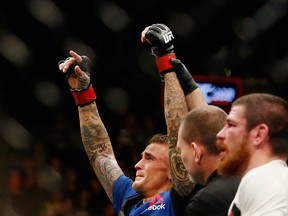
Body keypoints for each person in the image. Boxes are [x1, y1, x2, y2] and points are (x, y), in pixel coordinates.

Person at [141, 23, 241, 216]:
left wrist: (166, 65)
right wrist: (189, 86)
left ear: (196, 151)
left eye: (180, 149)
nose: (178, 156)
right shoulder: (251, 179)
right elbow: (209, 126)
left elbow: (181, 129)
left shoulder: (203, 202)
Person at [216, 93, 288, 216]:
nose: (220, 134)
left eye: (231, 125)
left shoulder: (263, 180)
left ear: (259, 134)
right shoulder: (272, 178)